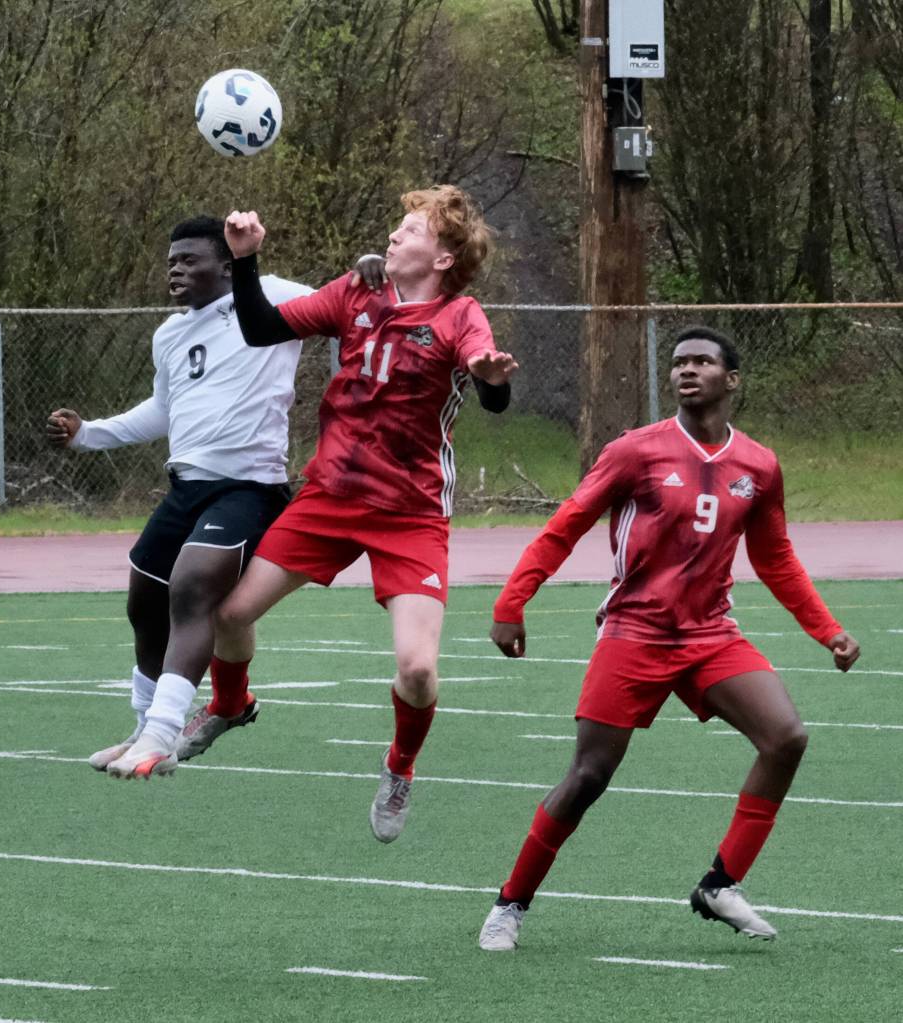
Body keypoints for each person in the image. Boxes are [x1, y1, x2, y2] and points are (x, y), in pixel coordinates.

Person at [120, 184, 519, 846]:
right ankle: (228, 705)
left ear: (444, 257)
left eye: (411, 229)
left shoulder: (460, 314)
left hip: (409, 512)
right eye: (396, 224)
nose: (394, 235)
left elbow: (489, 387)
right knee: (227, 614)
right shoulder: (355, 293)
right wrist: (245, 260)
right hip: (329, 496)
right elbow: (261, 326)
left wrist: (491, 378)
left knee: (417, 670)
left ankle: (399, 766)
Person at [477, 326, 860, 950]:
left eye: (702, 362)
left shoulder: (758, 465)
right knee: (589, 775)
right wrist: (511, 601)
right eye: (679, 362)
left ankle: (720, 884)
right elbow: (567, 524)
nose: (687, 370)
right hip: (635, 632)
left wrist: (828, 631)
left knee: (785, 737)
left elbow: (777, 558)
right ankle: (510, 904)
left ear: (730, 380)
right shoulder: (636, 450)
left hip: (711, 633)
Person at [46, 215, 320, 777]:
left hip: (249, 489)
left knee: (193, 589)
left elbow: (350, 306)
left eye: (189, 259)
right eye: (171, 260)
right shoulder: (169, 334)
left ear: (226, 264)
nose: (176, 269)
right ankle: (144, 726)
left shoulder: (276, 296)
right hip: (186, 487)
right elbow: (163, 413)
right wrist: (88, 434)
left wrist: (369, 273)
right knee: (144, 603)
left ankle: (163, 738)